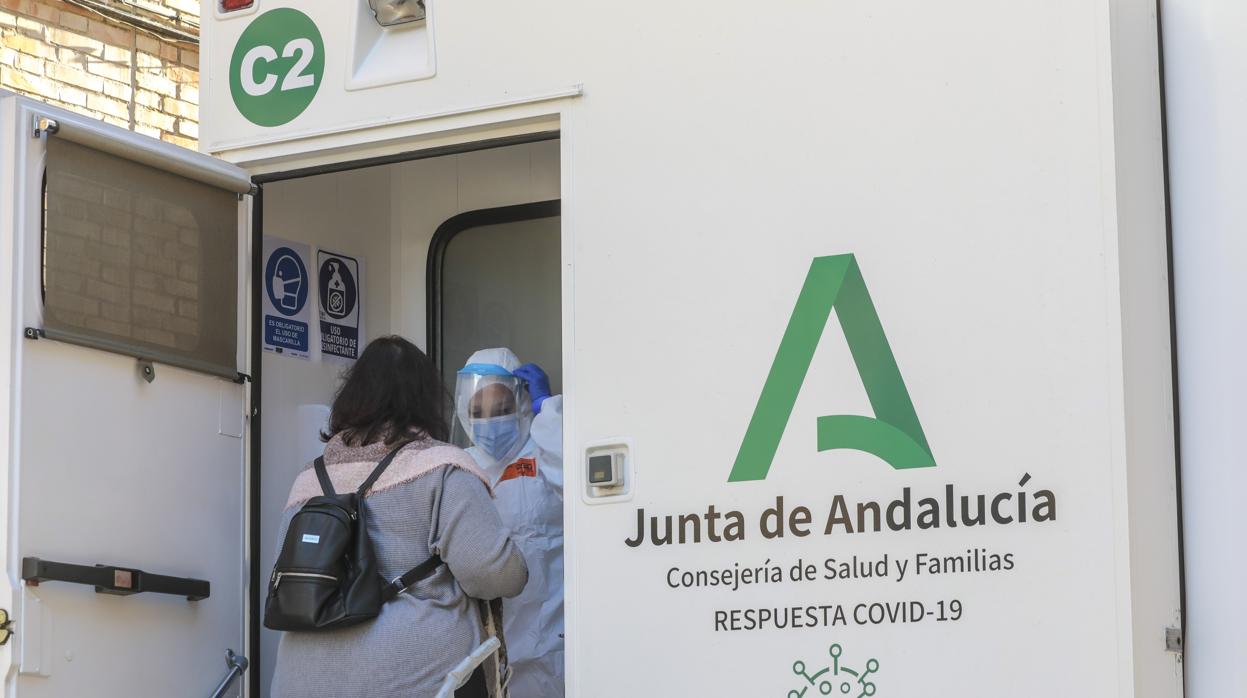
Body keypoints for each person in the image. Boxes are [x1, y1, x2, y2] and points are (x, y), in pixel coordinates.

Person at [271, 336, 528, 698]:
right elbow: (495, 574)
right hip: (408, 682)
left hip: (297, 682)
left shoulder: (308, 480)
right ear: (426, 398)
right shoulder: (441, 468)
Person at [455, 349, 564, 698]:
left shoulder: (544, 449)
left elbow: (578, 483)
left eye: (500, 409)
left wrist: (548, 412)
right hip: (486, 644)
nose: (488, 420)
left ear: (520, 402)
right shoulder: (460, 465)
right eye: (477, 411)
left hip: (553, 635)